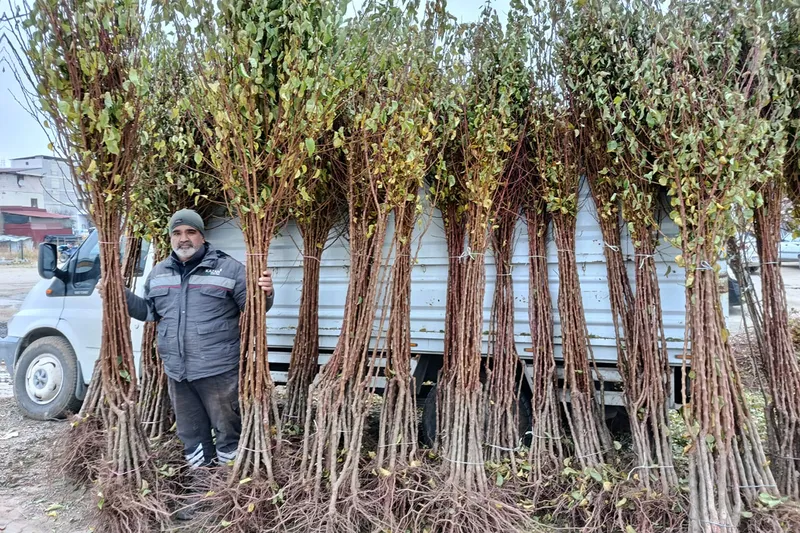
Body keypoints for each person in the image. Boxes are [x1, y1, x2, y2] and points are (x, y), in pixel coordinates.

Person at [110, 208, 274, 471]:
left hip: (218, 370)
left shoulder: (229, 269)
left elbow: (255, 308)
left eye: (190, 232)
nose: (183, 238)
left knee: (226, 430)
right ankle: (202, 484)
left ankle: (227, 487)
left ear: (202, 235)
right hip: (178, 371)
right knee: (191, 433)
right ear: (170, 238)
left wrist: (267, 293)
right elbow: (150, 311)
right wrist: (119, 294)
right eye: (176, 233)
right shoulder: (159, 273)